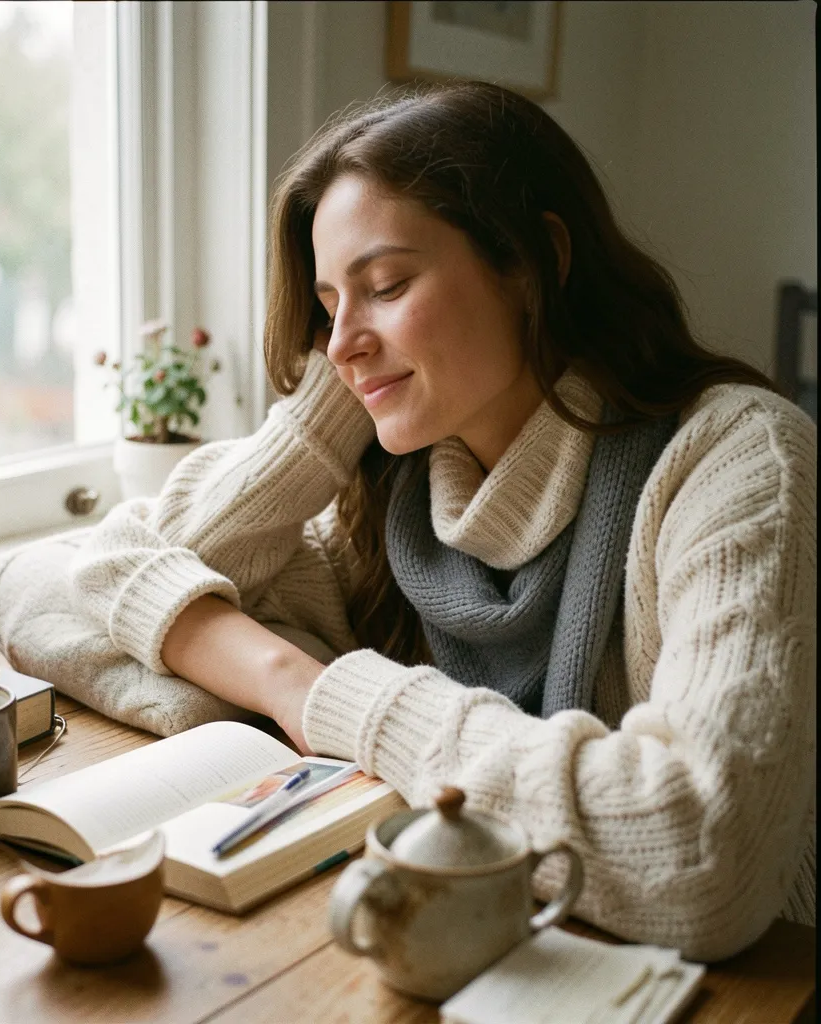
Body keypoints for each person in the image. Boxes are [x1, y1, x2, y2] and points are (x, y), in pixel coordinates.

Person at [66, 83, 815, 961]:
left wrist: (332, 698)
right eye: (326, 305)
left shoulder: (739, 460)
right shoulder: (393, 508)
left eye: (385, 285)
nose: (339, 340)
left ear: (534, 262)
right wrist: (327, 428)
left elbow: (699, 857)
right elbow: (84, 573)